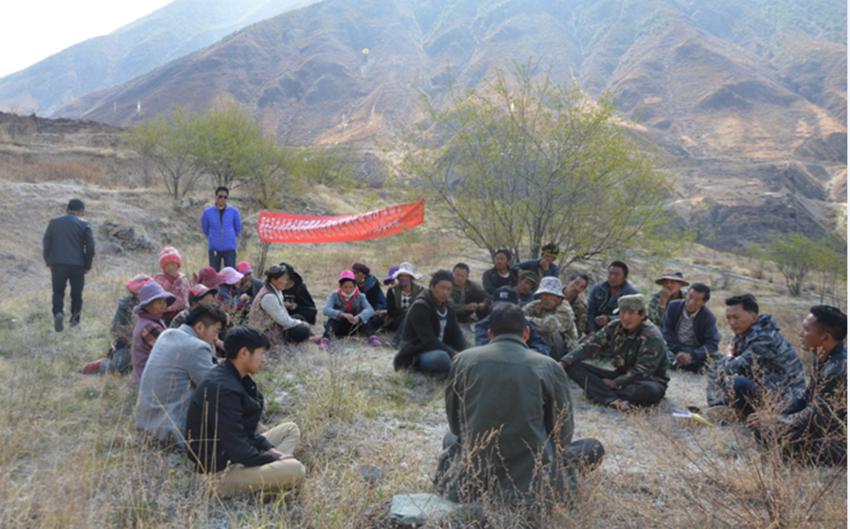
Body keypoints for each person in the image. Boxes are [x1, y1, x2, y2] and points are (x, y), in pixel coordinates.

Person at [435, 303, 604, 504]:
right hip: (532, 479)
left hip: (474, 474)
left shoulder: (462, 360)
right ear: (526, 333)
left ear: (490, 334)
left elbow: (456, 426)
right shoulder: (549, 366)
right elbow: (563, 437)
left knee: (450, 438)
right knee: (593, 447)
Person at [184, 326, 306, 497]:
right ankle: (266, 478)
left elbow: (242, 431)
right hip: (220, 471)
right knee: (296, 470)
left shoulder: (234, 377)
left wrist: (270, 450)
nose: (264, 360)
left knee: (290, 429)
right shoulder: (223, 388)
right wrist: (273, 459)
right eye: (261, 353)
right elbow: (238, 447)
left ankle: (268, 475)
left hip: (235, 456)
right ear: (243, 353)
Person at [747, 306, 847, 464]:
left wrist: (776, 419)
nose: (800, 334)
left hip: (841, 438)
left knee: (768, 431)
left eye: (806, 329)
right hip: (829, 427)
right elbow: (806, 396)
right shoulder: (828, 356)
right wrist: (773, 411)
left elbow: (816, 417)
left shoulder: (837, 370)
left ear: (825, 338)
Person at [134, 303, 228, 448]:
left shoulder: (167, 334)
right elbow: (215, 388)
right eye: (215, 332)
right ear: (199, 327)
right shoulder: (196, 347)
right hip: (172, 431)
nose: (216, 338)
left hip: (146, 424)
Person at [561, 294, 669, 411]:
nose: (625, 317)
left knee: (647, 391)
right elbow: (589, 347)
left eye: (631, 313)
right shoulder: (614, 327)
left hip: (646, 380)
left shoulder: (652, 335)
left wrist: (614, 383)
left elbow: (643, 372)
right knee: (573, 367)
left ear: (642, 314)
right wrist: (563, 362)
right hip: (621, 375)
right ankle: (613, 399)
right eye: (622, 312)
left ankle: (599, 393)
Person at [706, 294, 806, 419]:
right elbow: (734, 367)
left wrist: (728, 356)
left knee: (735, 381)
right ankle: (719, 407)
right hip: (764, 388)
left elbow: (736, 366)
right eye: (728, 318)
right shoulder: (743, 334)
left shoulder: (765, 338)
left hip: (784, 398)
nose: (731, 322)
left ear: (753, 318)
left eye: (736, 317)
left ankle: (729, 409)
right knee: (716, 366)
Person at [393, 270, 468, 373]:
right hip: (419, 352)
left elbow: (456, 334)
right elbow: (429, 341)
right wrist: (454, 353)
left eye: (449, 289)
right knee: (442, 358)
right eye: (442, 288)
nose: (445, 292)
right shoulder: (421, 306)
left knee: (473, 349)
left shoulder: (449, 305)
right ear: (432, 287)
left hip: (442, 346)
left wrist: (470, 351)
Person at [82, 274, 152, 375]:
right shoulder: (126, 304)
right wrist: (137, 336)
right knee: (122, 365)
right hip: (126, 345)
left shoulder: (159, 304)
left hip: (152, 348)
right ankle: (102, 365)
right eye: (138, 293)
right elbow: (115, 329)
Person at [42, 198, 95, 331]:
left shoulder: (54, 222)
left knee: (58, 291)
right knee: (76, 293)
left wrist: (48, 261)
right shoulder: (84, 223)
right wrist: (87, 265)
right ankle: (75, 321)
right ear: (80, 211)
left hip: (58, 264)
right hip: (77, 264)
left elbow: (46, 243)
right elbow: (90, 246)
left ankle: (58, 313)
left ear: (66, 210)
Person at [661, 283, 721, 372]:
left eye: (697, 300)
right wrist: (678, 351)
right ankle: (693, 367)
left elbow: (712, 344)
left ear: (704, 302)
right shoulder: (674, 306)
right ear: (686, 295)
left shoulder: (708, 316)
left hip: (695, 350)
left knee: (717, 357)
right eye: (690, 296)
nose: (691, 302)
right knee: (657, 350)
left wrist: (691, 355)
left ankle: (681, 365)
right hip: (674, 348)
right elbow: (667, 331)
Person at [474, 287, 549, 356]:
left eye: (508, 307)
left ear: (518, 306)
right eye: (499, 307)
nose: (504, 311)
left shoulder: (524, 323)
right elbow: (483, 350)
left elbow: (541, 348)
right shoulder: (484, 325)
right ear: (492, 305)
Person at [248, 265, 311, 346]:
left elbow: (283, 314)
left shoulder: (274, 289)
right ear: (273, 280)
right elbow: (283, 321)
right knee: (302, 330)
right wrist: (301, 323)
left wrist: (299, 322)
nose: (286, 282)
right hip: (266, 333)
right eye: (283, 279)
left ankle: (311, 336)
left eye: (286, 279)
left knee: (299, 317)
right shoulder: (269, 296)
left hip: (274, 326)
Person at [522, 277, 579, 361]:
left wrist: (527, 321)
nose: (547, 298)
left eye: (552, 295)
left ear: (559, 297)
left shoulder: (565, 310)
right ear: (540, 296)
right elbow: (517, 317)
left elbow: (548, 328)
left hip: (565, 353)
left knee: (549, 333)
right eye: (544, 294)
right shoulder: (536, 305)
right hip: (540, 345)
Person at [320, 270, 380, 348]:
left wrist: (359, 317)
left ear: (355, 286)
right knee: (334, 317)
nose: (348, 290)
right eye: (345, 287)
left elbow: (370, 310)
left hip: (354, 327)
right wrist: (342, 314)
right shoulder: (334, 295)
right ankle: (325, 339)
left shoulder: (360, 296)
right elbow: (326, 310)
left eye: (351, 287)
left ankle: (372, 336)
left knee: (360, 313)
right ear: (340, 286)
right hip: (338, 328)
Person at [131, 282, 176, 385]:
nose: (163, 306)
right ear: (147, 306)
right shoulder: (149, 327)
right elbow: (169, 352)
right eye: (159, 303)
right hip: (149, 380)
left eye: (164, 302)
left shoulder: (150, 320)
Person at [585, 261, 639, 334]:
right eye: (610, 273)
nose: (612, 277)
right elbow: (590, 311)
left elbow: (632, 317)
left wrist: (609, 319)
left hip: (619, 332)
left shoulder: (631, 293)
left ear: (625, 277)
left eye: (617, 274)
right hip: (596, 330)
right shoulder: (597, 288)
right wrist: (591, 331)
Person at [201, 186, 242, 271]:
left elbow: (238, 228)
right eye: (220, 196)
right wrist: (212, 236)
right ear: (215, 197)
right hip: (214, 248)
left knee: (231, 273)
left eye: (225, 197)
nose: (222, 199)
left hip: (230, 248)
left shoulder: (234, 211)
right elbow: (205, 228)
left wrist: (231, 236)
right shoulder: (207, 212)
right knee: (214, 273)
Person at [384, 262, 424, 348]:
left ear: (411, 278)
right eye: (401, 276)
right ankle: (396, 341)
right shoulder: (392, 290)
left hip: (416, 321)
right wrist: (403, 311)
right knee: (409, 314)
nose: (403, 278)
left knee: (412, 314)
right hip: (396, 320)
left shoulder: (420, 290)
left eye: (406, 276)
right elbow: (390, 312)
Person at [154, 246, 191, 322]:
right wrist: (170, 279)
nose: (170, 268)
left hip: (182, 310)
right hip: (167, 313)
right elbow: (161, 292)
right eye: (167, 265)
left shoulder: (182, 277)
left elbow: (188, 291)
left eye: (173, 264)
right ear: (163, 267)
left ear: (178, 265)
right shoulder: (160, 278)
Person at [352, 262, 387, 329]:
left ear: (364, 275)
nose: (355, 275)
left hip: (374, 310)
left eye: (358, 273)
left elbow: (380, 304)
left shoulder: (372, 286)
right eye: (354, 273)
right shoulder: (351, 284)